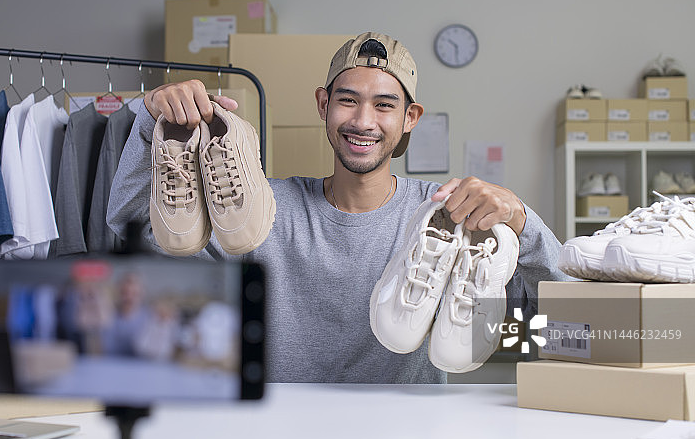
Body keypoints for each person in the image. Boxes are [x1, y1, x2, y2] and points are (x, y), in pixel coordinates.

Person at [107, 32, 570, 383]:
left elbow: (565, 305)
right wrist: (151, 124)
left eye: (384, 105)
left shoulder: (449, 217)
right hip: (283, 436)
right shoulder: (261, 211)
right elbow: (134, 234)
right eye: (347, 101)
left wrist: (521, 220)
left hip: (409, 437)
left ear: (410, 118)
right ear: (323, 105)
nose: (363, 121)